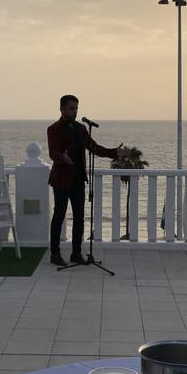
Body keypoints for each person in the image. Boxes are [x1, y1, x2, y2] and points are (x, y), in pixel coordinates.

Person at [47, 94, 131, 266]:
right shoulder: (54, 129)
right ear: (62, 109)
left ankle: (76, 253)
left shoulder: (81, 129)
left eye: (76, 108)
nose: (74, 111)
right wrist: (62, 158)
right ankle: (54, 254)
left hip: (78, 180)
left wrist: (115, 152)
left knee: (79, 217)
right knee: (59, 216)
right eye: (71, 108)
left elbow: (95, 148)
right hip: (61, 180)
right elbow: (52, 152)